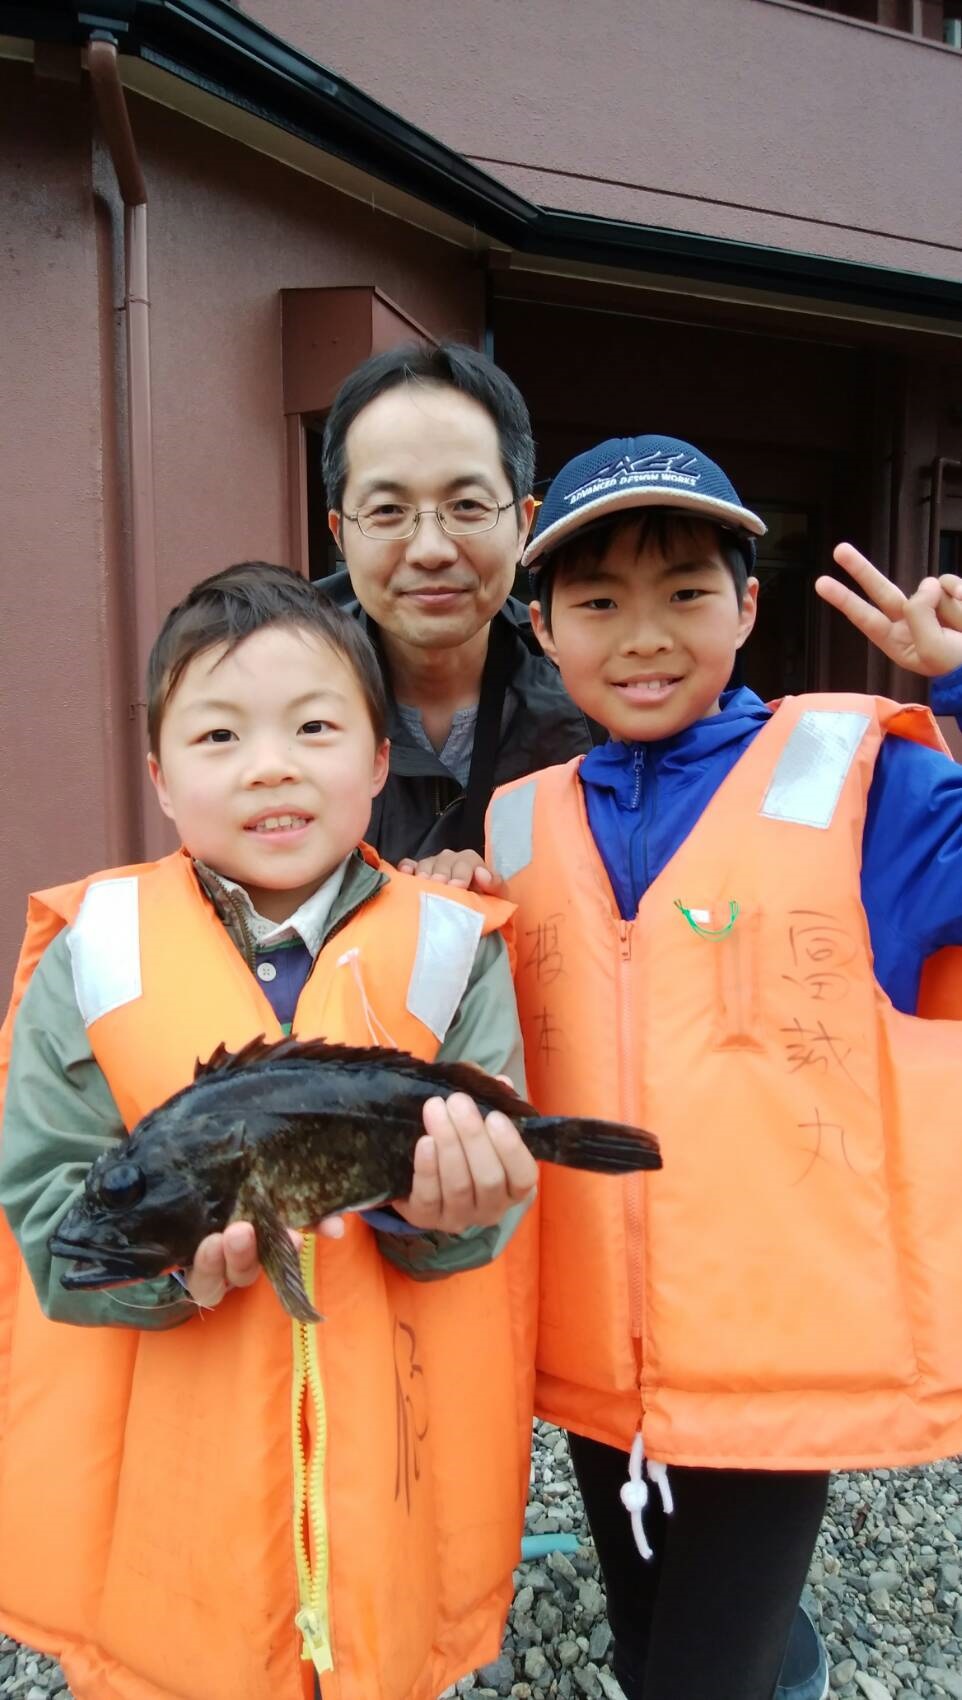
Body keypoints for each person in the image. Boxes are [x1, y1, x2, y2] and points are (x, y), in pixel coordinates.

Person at [427, 436, 962, 1700]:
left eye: (683, 591)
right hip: (593, 1361)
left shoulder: (863, 781)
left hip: (773, 1360)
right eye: (598, 602)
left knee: (691, 1680)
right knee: (642, 1634)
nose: (642, 634)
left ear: (747, 606)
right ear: (543, 628)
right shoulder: (517, 817)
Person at [0, 563, 541, 1700]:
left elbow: (475, 1217)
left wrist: (446, 1212)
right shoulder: (91, 955)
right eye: (217, 734)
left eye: (312, 725)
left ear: (380, 758)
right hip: (168, 1500)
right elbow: (52, 1217)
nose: (270, 763)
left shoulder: (455, 948)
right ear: (159, 772)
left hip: (389, 1487)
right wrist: (172, 1279)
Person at [319, 341, 596, 865]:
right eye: (387, 511)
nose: (430, 551)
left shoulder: (600, 690)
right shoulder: (271, 695)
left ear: (524, 525)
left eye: (468, 505)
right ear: (341, 533)